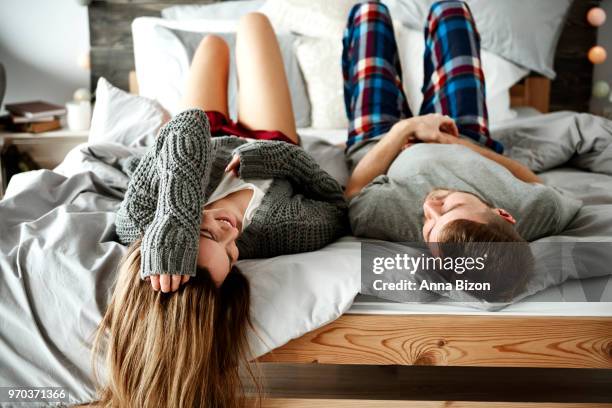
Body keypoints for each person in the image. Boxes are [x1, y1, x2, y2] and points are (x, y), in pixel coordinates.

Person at [91, 13, 348, 407]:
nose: (231, 233)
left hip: (203, 137)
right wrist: (276, 159)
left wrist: (176, 215)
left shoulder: (139, 226)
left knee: (212, 44)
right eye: (232, 253)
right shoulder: (280, 231)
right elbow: (336, 206)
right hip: (271, 141)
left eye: (208, 232)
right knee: (254, 24)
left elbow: (187, 125)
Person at [342, 1, 582, 300]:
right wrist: (460, 144)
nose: (430, 208)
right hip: (461, 135)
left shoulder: (392, 222)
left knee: (369, 13)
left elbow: (354, 190)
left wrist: (406, 128)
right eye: (452, 208)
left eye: (429, 231)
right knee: (452, 11)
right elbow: (535, 181)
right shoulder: (538, 213)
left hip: (381, 142)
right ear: (503, 214)